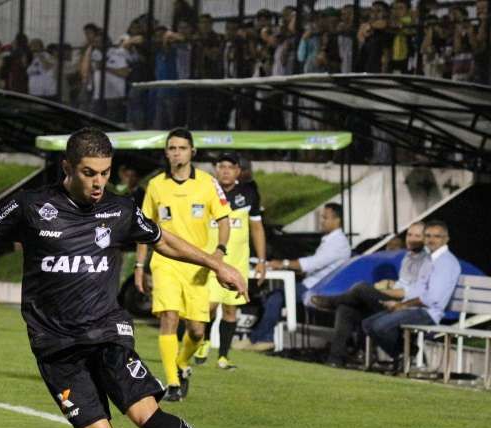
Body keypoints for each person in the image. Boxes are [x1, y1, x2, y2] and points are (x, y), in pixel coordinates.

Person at [0, 127, 267, 428]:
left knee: (145, 415)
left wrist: (217, 265)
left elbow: (165, 241)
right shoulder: (32, 206)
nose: (98, 182)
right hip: (55, 347)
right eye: (89, 173)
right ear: (68, 168)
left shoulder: (120, 210)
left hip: (107, 333)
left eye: (104, 172)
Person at [136, 129, 231, 402]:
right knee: (169, 316)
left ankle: (181, 363)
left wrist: (219, 252)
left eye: (182, 148)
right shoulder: (155, 186)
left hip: (198, 264)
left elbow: (224, 220)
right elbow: (143, 228)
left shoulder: (208, 183)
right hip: (165, 261)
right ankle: (172, 383)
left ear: (193, 152)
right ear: (166, 152)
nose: (177, 152)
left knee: (197, 331)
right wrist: (140, 266)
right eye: (172, 148)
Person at [311, 222, 430, 368]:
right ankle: (335, 360)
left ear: (426, 238)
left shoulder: (427, 260)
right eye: (409, 235)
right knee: (346, 308)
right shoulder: (408, 258)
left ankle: (332, 302)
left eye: (417, 236)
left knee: (361, 288)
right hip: (395, 303)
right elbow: (402, 285)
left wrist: (380, 292)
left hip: (408, 308)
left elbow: (409, 293)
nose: (411, 239)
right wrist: (388, 286)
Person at [242, 202, 352, 352]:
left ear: (337, 220)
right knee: (275, 295)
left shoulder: (338, 242)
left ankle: (261, 339)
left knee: (276, 296)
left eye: (325, 218)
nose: (322, 221)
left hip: (316, 288)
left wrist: (283, 263)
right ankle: (261, 338)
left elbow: (313, 263)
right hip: (312, 283)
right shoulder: (332, 240)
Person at [194, 154, 267, 370]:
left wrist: (261, 260)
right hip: (212, 259)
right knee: (208, 307)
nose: (226, 171)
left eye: (230, 167)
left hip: (237, 260)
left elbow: (256, 227)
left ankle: (223, 357)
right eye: (222, 166)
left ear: (238, 171)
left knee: (230, 310)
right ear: (216, 169)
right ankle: (205, 341)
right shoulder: (207, 191)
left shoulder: (249, 193)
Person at [362, 220, 461, 366]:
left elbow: (431, 299)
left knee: (379, 327)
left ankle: (408, 356)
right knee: (368, 324)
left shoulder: (445, 262)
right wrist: (399, 304)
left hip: (427, 312)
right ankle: (407, 355)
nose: (431, 240)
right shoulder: (429, 259)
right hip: (413, 307)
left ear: (446, 239)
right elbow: (416, 290)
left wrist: (402, 306)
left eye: (437, 236)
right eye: (428, 236)